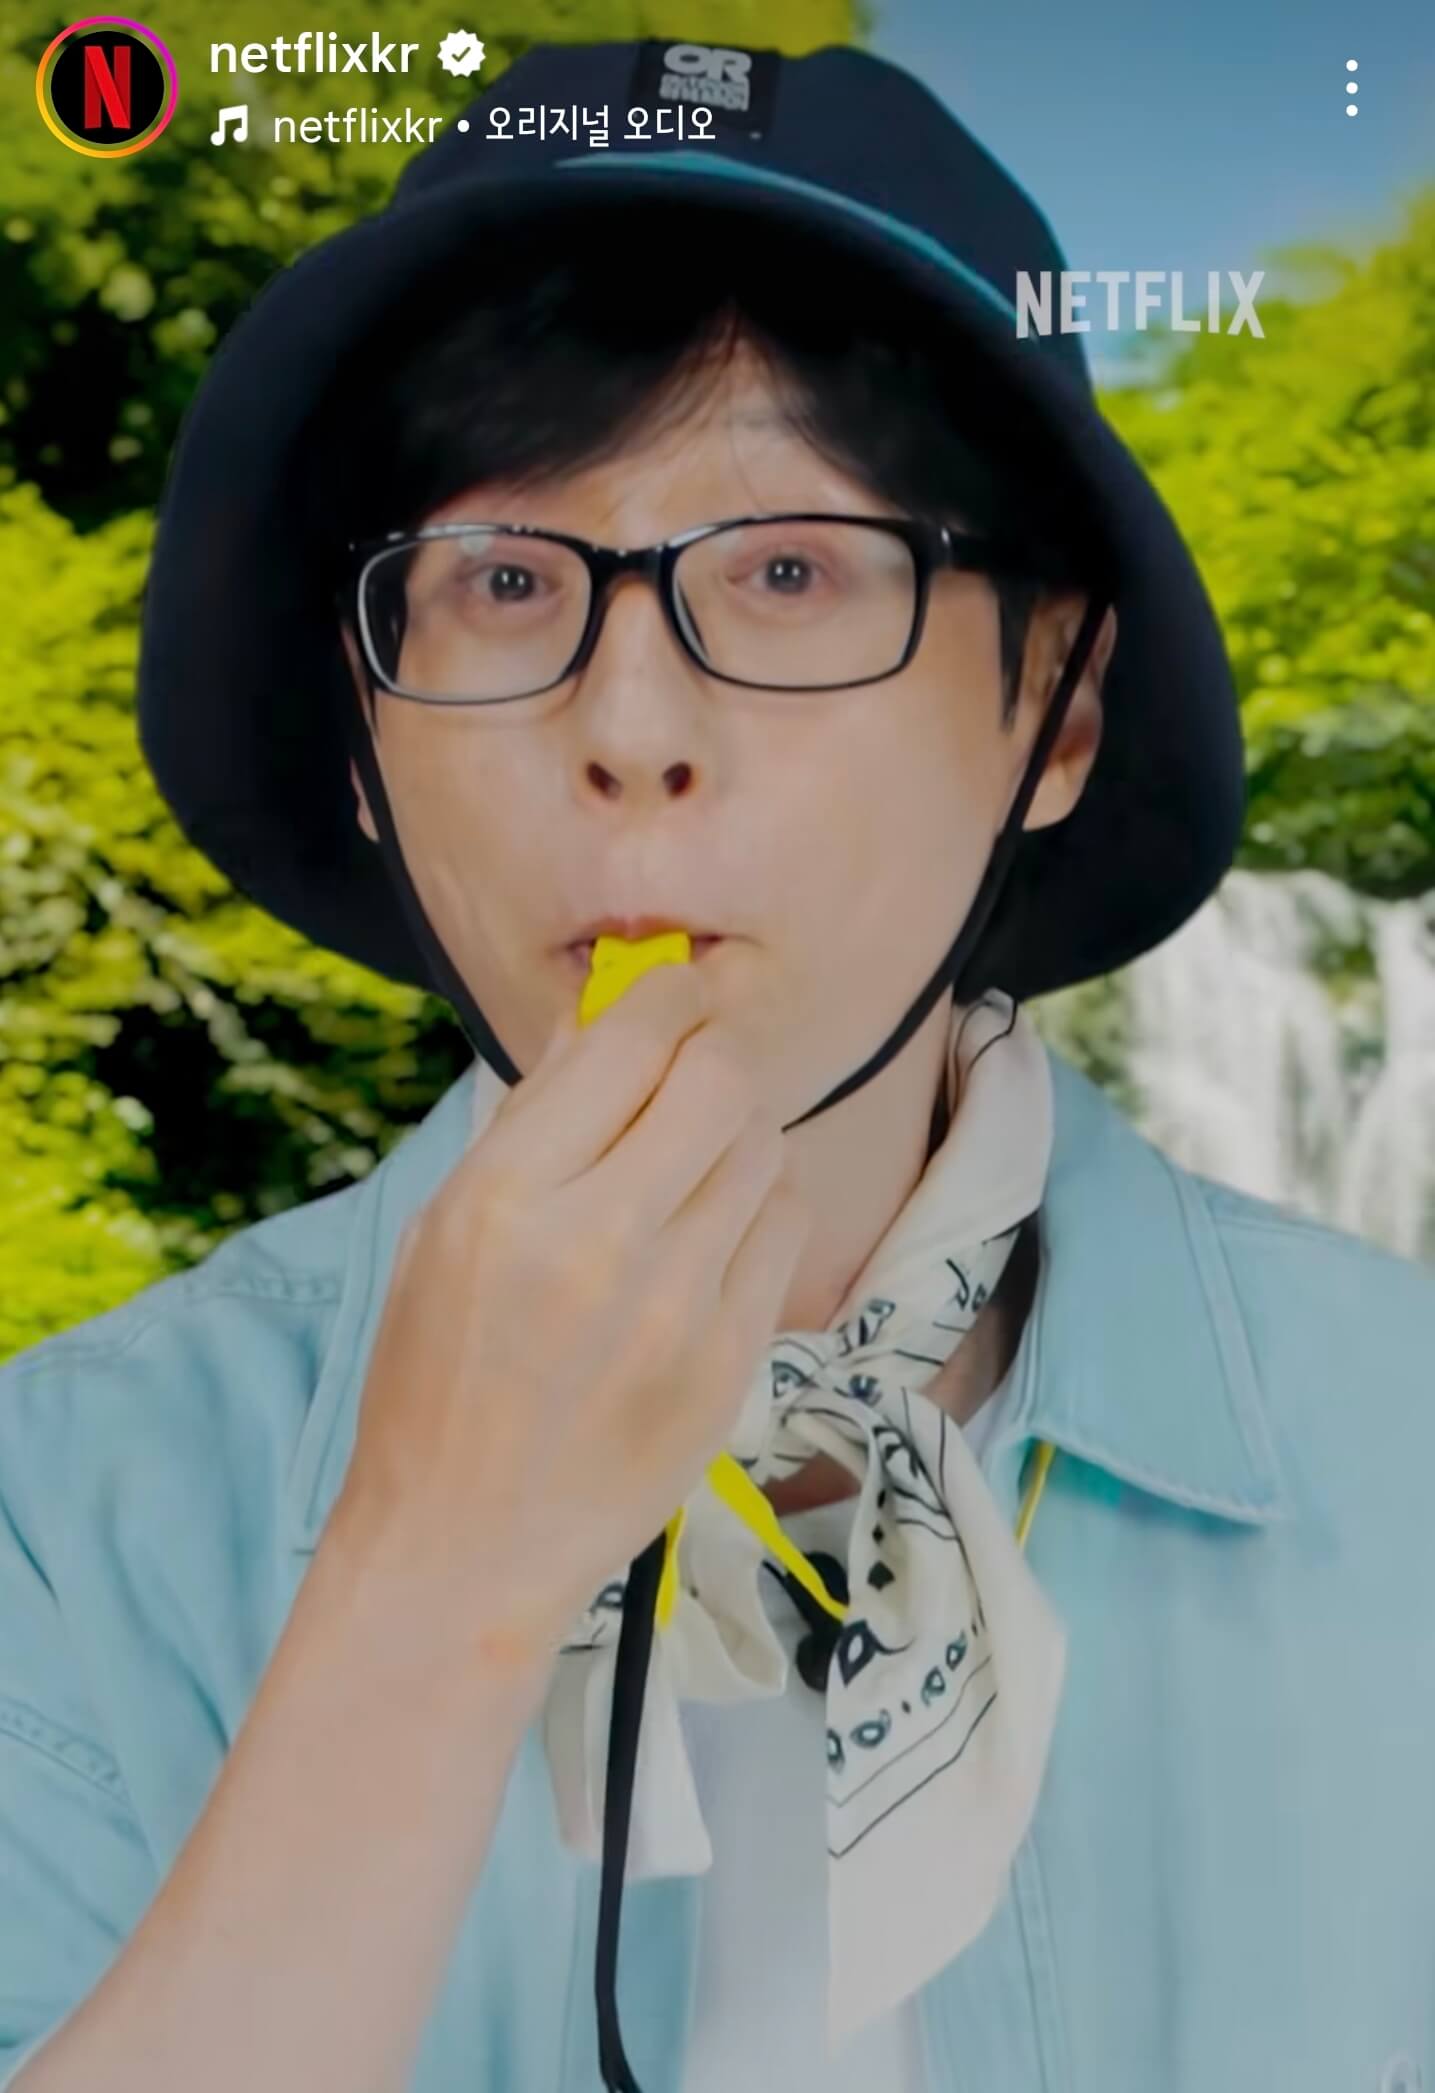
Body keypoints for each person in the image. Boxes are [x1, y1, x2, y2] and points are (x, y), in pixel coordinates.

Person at [2, 34, 1434, 2093]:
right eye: (505, 583)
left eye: (786, 571)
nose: (632, 726)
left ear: (1056, 704)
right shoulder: (60, 1517)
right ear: (364, 738)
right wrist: (431, 1571)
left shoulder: (1403, 1452)